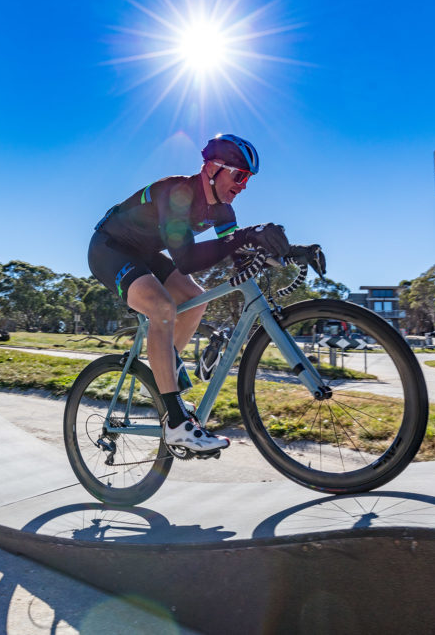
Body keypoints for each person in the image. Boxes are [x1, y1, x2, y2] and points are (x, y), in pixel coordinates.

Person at [88, 134, 323, 453]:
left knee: (194, 302)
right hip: (110, 248)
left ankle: (160, 378)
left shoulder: (223, 211)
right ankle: (175, 423)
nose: (243, 186)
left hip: (145, 253)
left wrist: (288, 250)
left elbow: (235, 252)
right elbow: (186, 260)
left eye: (248, 180)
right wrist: (245, 238)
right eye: (239, 175)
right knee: (162, 307)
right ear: (212, 168)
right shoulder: (178, 192)